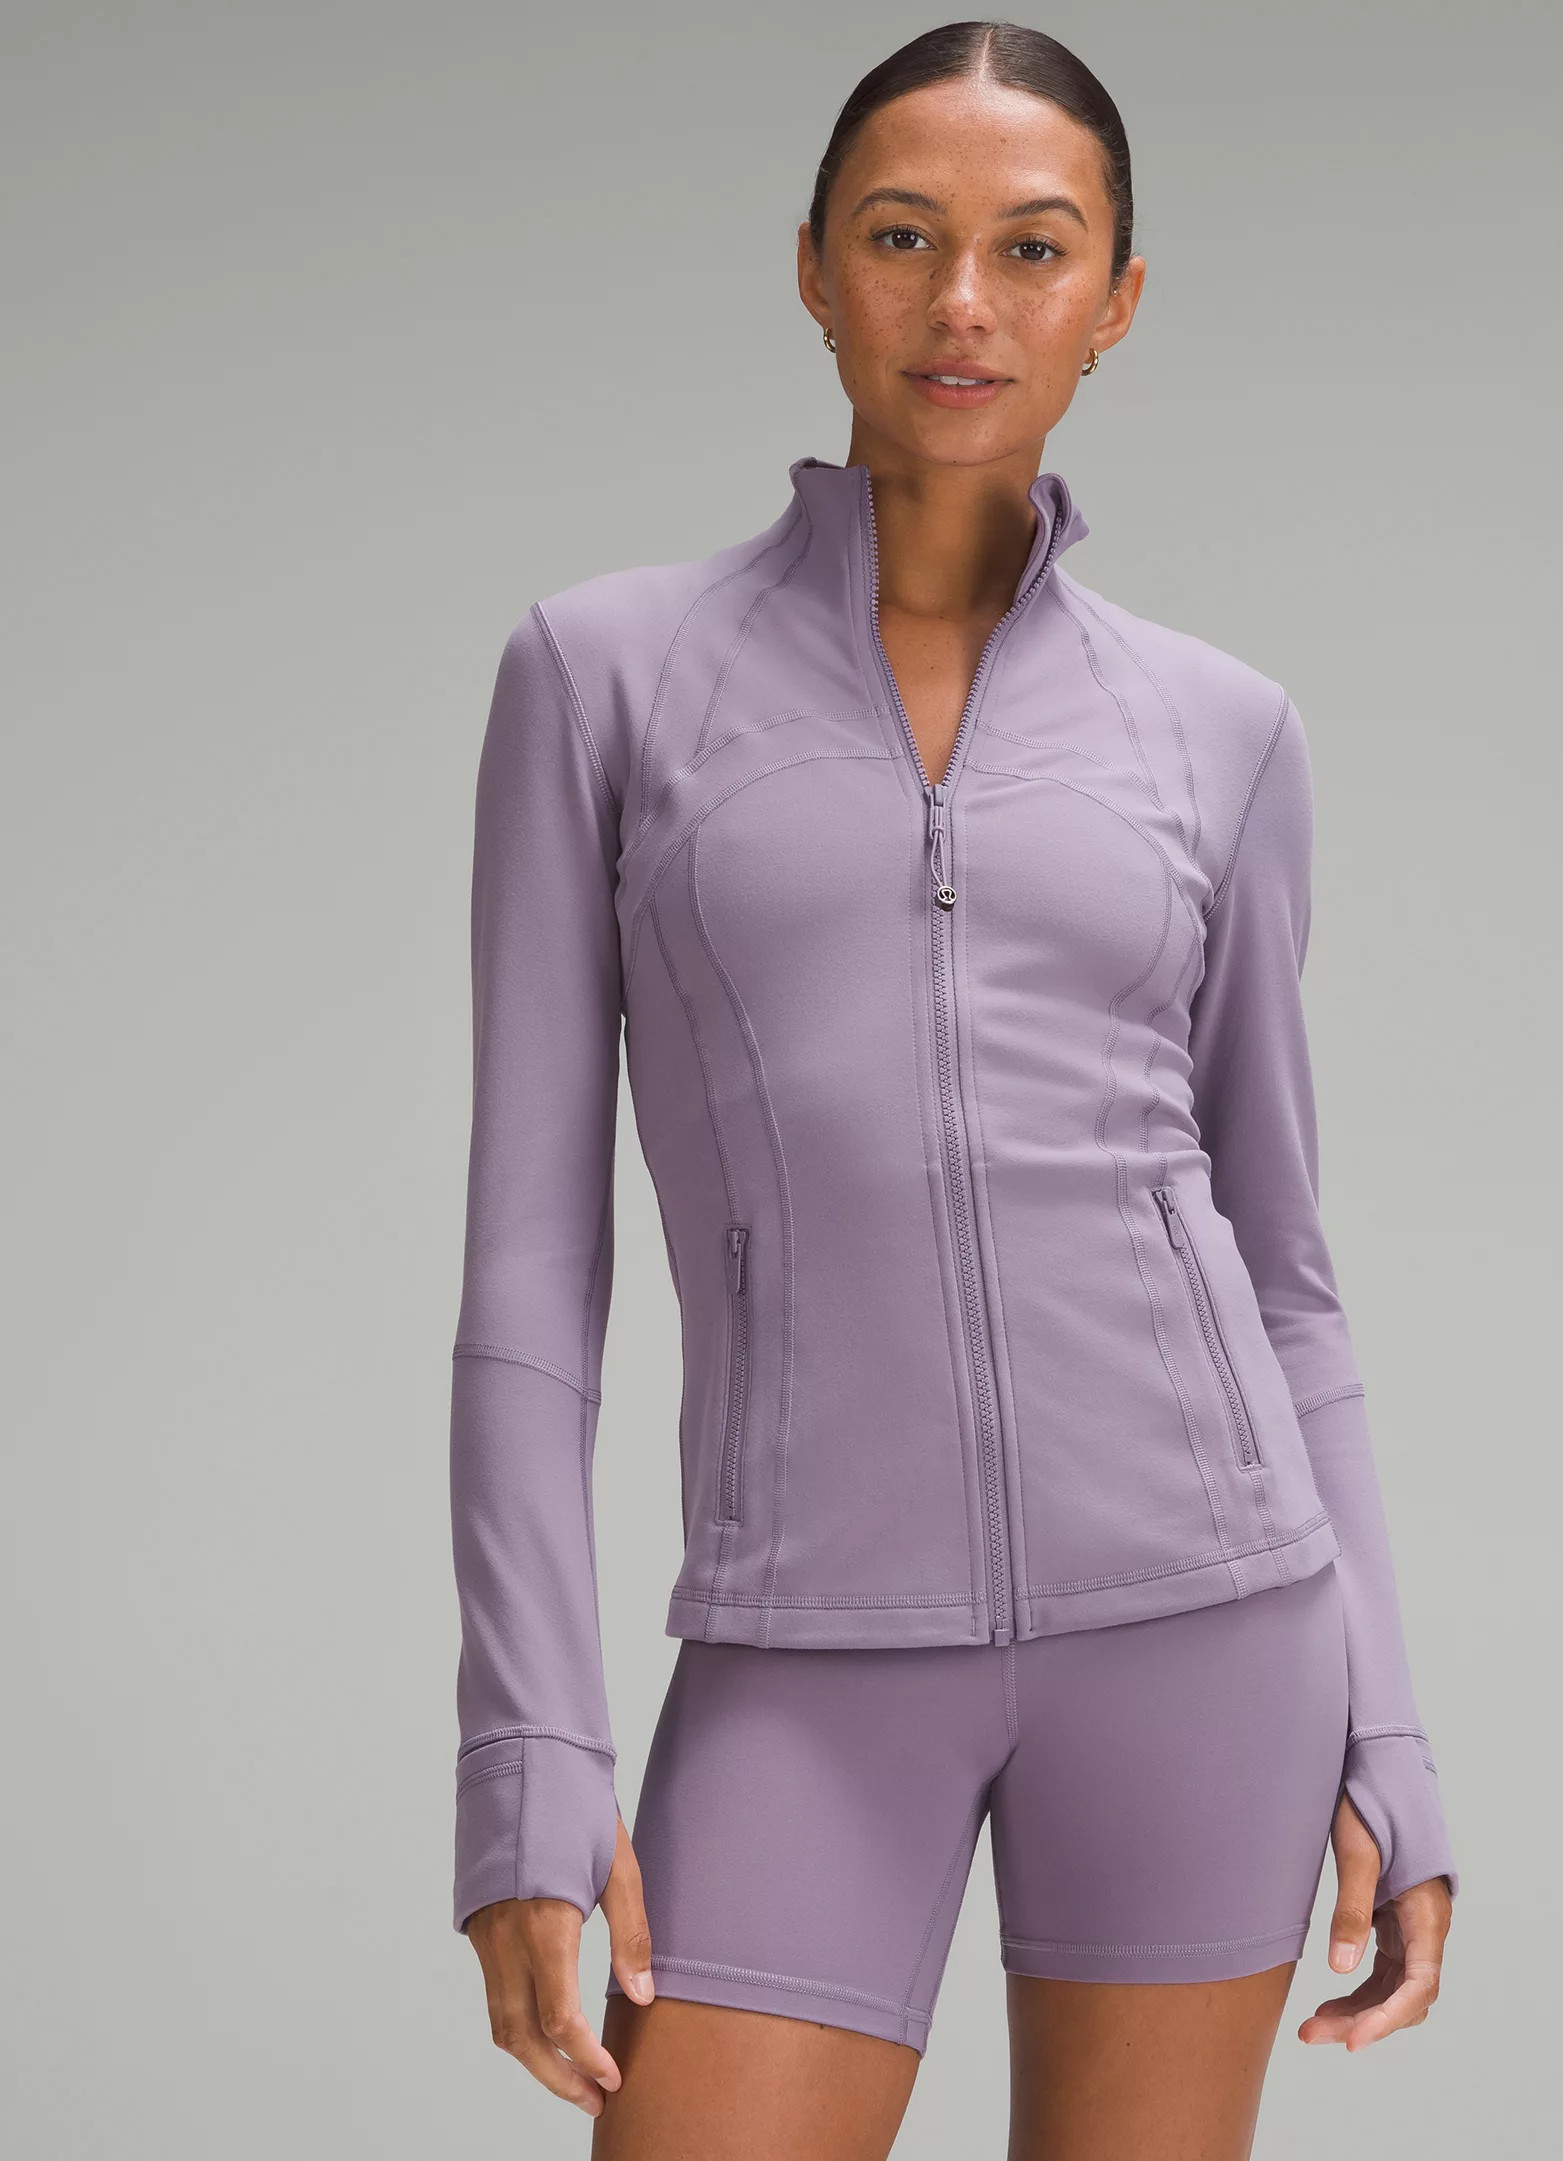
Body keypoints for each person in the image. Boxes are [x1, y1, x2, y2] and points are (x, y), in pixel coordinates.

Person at [447, 21, 1457, 2157]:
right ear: (815, 270)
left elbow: (1284, 1264)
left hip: (1212, 1629)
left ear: (1119, 298)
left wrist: (1393, 1727)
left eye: (1034, 246)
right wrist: (531, 1759)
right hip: (807, 1645)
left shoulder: (1221, 729)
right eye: (904, 238)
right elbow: (533, 1270)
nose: (964, 302)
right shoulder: (606, 678)